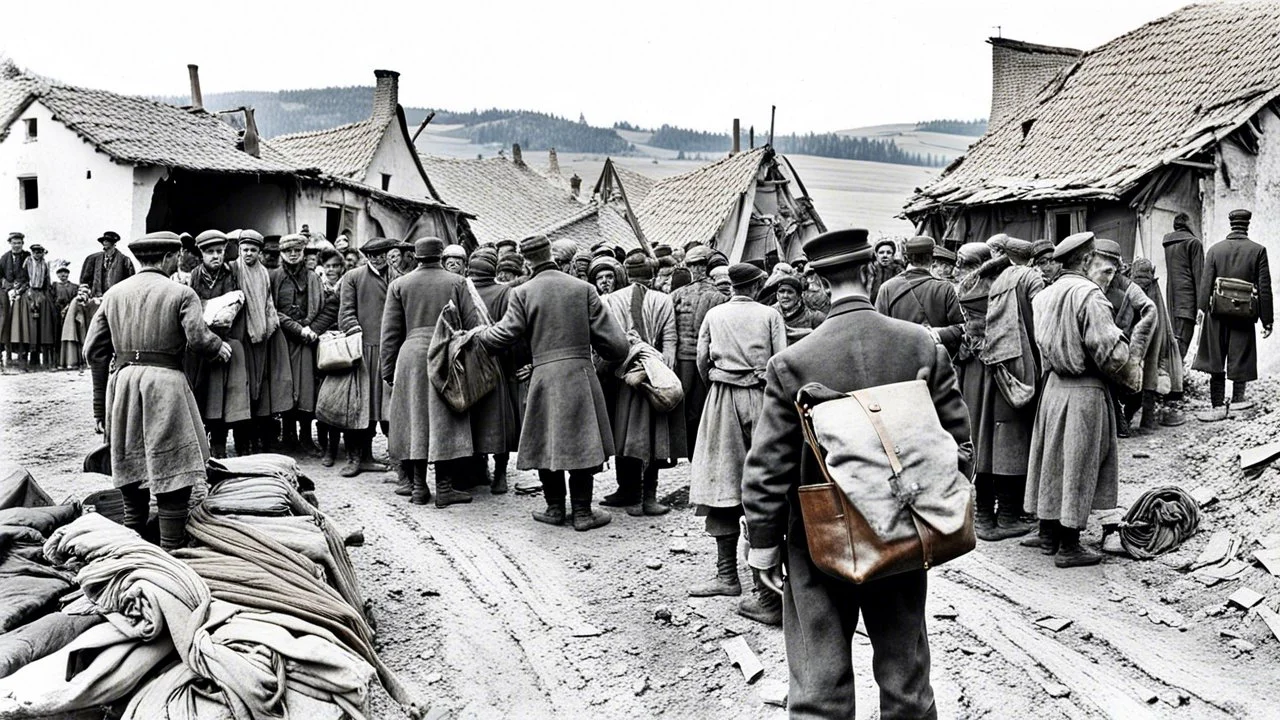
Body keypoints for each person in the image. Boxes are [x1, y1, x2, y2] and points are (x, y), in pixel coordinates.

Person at [742, 228, 971, 719]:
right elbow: (960, 444)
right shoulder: (919, 346)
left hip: (817, 538)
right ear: (870, 273)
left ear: (817, 286)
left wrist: (762, 542)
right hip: (902, 531)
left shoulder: (792, 363)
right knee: (907, 680)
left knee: (819, 687)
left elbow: (769, 466)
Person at [83, 231, 231, 550]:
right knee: (173, 466)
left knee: (130, 459)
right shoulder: (181, 293)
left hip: (123, 385)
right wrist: (217, 347)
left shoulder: (114, 294)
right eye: (177, 257)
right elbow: (198, 339)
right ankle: (170, 546)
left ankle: (134, 538)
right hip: (165, 384)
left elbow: (92, 350)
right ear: (169, 258)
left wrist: (100, 406)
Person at [477, 235, 630, 531]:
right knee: (582, 442)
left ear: (527, 261)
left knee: (545, 441)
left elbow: (502, 337)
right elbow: (618, 346)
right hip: (580, 375)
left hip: (543, 377)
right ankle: (584, 513)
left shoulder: (522, 292)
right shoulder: (583, 289)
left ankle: (554, 508)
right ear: (554, 256)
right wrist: (596, 357)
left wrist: (479, 335)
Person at [1022, 232, 1141, 567]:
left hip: (1054, 388)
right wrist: (1126, 352)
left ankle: (1048, 533)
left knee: (1052, 461)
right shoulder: (1089, 296)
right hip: (1085, 388)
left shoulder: (1045, 295)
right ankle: (1069, 545)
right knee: (1079, 462)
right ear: (1087, 259)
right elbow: (1109, 353)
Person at [688, 263, 787, 626]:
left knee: (722, 480)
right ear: (760, 283)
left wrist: (718, 379)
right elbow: (780, 359)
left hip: (723, 398)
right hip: (762, 397)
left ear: (731, 285)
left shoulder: (715, 314)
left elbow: (702, 360)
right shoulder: (770, 313)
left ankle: (727, 575)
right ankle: (766, 585)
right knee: (765, 482)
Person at [382, 238, 507, 506]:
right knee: (446, 419)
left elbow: (391, 333)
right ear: (441, 255)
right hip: (447, 353)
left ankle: (418, 488)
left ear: (415, 256)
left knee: (415, 420)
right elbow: (472, 325)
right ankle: (445, 487)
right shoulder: (457, 282)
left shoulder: (399, 284)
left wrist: (388, 369)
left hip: (411, 357)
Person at [599, 253, 687, 514]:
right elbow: (671, 340)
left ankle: (626, 490)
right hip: (653, 376)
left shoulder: (611, 300)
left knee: (623, 433)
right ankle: (648, 497)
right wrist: (660, 370)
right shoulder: (663, 300)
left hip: (623, 376)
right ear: (651, 274)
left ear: (626, 273)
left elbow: (606, 341)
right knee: (655, 436)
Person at [971, 237, 1043, 540]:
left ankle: (984, 516)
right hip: (1015, 368)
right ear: (1031, 259)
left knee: (985, 442)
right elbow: (1041, 322)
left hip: (980, 371)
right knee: (1012, 443)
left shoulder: (980, 278)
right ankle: (1009, 516)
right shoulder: (1028, 277)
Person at [1193, 209, 1272, 420]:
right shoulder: (1258, 251)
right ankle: (1238, 404)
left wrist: (1201, 310)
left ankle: (1217, 407)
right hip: (1243, 316)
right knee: (1241, 357)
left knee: (1216, 359)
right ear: (1247, 225)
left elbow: (1205, 284)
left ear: (1231, 224)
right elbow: (1264, 287)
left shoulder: (1215, 250)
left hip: (1216, 314)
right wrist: (1267, 320)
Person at [185, 230, 252, 457]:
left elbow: (237, 304)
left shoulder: (231, 273)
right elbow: (193, 310)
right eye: (210, 252)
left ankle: (243, 443)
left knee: (233, 394)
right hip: (205, 345)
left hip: (230, 339)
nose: (216, 256)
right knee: (208, 396)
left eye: (220, 251)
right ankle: (216, 442)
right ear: (202, 254)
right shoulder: (194, 276)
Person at [337, 237, 400, 476]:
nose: (378, 258)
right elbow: (346, 314)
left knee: (388, 408)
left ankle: (397, 459)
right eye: (373, 255)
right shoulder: (353, 277)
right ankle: (356, 458)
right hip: (363, 350)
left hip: (390, 351)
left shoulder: (399, 278)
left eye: (382, 253)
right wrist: (357, 335)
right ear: (367, 256)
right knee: (360, 406)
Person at [272, 234, 338, 457]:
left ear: (302, 252)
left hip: (308, 340)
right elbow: (271, 309)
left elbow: (325, 307)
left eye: (297, 251)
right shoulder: (275, 277)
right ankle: (287, 436)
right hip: (282, 341)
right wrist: (296, 328)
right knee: (285, 389)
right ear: (281, 254)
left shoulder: (313, 278)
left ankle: (306, 437)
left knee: (307, 390)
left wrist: (311, 329)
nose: (292, 255)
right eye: (288, 251)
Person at [468, 248, 524, 494]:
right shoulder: (506, 292)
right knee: (500, 421)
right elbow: (515, 332)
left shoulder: (461, 289)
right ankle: (500, 474)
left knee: (473, 418)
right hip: (499, 364)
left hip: (469, 364)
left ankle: (478, 469)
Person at [232, 230, 293, 452]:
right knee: (241, 387)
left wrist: (269, 324)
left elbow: (269, 301)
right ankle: (242, 441)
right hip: (241, 335)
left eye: (253, 250)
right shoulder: (233, 269)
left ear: (259, 252)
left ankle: (260, 438)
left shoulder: (264, 273)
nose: (248, 254)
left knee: (260, 388)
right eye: (245, 250)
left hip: (262, 336)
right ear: (239, 250)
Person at [1091, 239, 1157, 437]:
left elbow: (1149, 309)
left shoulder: (1128, 287)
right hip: (1094, 347)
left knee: (1133, 392)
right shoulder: (1085, 283)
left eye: (1110, 265)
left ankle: (1123, 418)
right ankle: (1116, 422)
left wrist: (1136, 351)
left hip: (1121, 348)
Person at [669, 245, 726, 457]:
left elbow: (669, 330)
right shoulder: (719, 296)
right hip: (706, 359)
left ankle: (684, 448)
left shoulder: (676, 295)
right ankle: (699, 449)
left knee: (681, 405)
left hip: (682, 358)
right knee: (701, 407)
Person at [874, 236, 964, 356]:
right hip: (936, 361)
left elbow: (878, 331)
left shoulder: (887, 288)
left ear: (906, 258)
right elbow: (960, 329)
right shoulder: (945, 288)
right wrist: (936, 335)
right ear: (932, 259)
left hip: (900, 361)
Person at [1128, 258, 1186, 428]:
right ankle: (1147, 421)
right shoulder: (1154, 289)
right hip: (1154, 343)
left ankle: (1128, 419)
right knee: (1150, 381)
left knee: (1134, 382)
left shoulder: (1132, 288)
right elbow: (1161, 323)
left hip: (1136, 341)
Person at [1162, 213, 1203, 363]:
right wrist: (1202, 306)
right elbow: (1199, 277)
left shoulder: (1168, 244)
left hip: (1171, 300)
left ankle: (1174, 379)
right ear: (1188, 224)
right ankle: (1175, 382)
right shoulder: (1194, 243)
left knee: (1175, 339)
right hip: (1187, 302)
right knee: (1182, 342)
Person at [21, 243, 59, 368]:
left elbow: (47, 280)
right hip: (29, 291)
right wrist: (27, 292)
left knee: (43, 325)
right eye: (35, 252)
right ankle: (31, 356)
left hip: (41, 293)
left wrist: (46, 294)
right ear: (32, 252)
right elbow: (23, 278)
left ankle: (43, 356)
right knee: (31, 325)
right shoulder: (27, 262)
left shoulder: (45, 264)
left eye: (40, 252)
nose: (37, 254)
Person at [1, 232, 30, 367]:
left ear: (22, 244)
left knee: (22, 321)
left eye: (19, 243)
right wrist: (10, 288)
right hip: (8, 292)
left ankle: (24, 352)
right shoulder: (4, 258)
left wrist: (20, 289)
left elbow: (30, 277)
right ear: (10, 243)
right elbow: (1, 277)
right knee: (5, 319)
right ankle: (5, 352)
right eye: (14, 243)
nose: (17, 245)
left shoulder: (27, 257)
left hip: (23, 292)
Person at [79, 230, 136, 299]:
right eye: (104, 240)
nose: (104, 242)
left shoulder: (125, 260)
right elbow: (84, 282)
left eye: (108, 240)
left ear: (113, 243)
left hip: (115, 299)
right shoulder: (92, 259)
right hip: (96, 300)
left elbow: (130, 283)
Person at [773, 274, 825, 345]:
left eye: (790, 292)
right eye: (781, 291)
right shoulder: (771, 315)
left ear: (799, 296)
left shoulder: (815, 317)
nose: (785, 296)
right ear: (777, 295)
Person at [868, 238, 904, 302]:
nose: (885, 255)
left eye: (889, 253)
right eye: (881, 252)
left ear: (893, 256)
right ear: (876, 255)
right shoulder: (869, 272)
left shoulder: (900, 274)